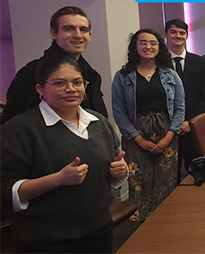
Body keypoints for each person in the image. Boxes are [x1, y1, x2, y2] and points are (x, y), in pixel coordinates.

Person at [0, 55, 128, 254]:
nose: (71, 89)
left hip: (98, 229)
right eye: (59, 83)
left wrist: (119, 173)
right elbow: (6, 190)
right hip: (46, 239)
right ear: (40, 89)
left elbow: (107, 174)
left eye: (77, 82)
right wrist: (57, 179)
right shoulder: (19, 129)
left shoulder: (98, 122)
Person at [111, 29, 185, 222]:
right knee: (139, 184)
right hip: (136, 136)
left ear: (159, 47)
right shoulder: (123, 76)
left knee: (166, 183)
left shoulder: (170, 75)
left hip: (167, 135)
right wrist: (138, 139)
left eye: (153, 43)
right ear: (135, 46)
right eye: (143, 42)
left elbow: (179, 108)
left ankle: (166, 223)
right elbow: (118, 112)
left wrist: (169, 136)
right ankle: (143, 231)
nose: (148, 47)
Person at [1, 6, 107, 126]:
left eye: (83, 30)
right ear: (54, 33)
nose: (78, 35)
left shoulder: (91, 75)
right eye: (69, 29)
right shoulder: (32, 73)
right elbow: (13, 125)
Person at [164, 19, 205, 177]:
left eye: (182, 33)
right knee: (171, 173)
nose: (178, 35)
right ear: (166, 35)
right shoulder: (159, 63)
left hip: (192, 124)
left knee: (196, 170)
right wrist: (174, 124)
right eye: (173, 32)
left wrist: (190, 122)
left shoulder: (199, 62)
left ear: (187, 36)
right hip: (167, 129)